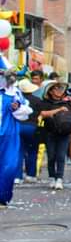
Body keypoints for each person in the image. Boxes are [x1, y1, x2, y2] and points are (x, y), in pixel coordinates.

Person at [0, 69, 32, 208]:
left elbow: (26, 111)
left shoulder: (14, 93)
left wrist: (17, 107)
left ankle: (2, 197)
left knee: (9, 166)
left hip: (9, 135)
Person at [37, 80, 71, 190]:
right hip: (50, 133)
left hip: (64, 134)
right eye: (55, 88)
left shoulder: (67, 102)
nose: (58, 90)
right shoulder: (46, 103)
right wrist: (59, 110)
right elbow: (43, 114)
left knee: (61, 156)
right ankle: (52, 177)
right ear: (50, 91)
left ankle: (59, 178)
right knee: (51, 156)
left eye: (60, 88)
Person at [14, 79, 42, 184]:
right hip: (32, 127)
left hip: (19, 127)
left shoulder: (17, 100)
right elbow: (41, 114)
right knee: (32, 152)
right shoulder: (38, 100)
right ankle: (31, 175)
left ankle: (17, 176)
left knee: (18, 152)